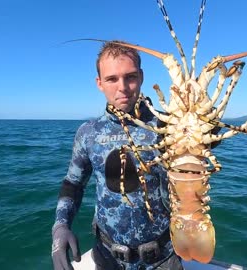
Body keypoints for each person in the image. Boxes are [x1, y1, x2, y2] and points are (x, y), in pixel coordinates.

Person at [51, 40, 185, 270]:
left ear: (141, 77)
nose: (122, 86)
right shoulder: (88, 133)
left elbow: (201, 147)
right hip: (108, 256)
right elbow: (73, 184)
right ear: (99, 83)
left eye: (130, 76)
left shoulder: (170, 125)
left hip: (163, 257)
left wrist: (206, 125)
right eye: (112, 79)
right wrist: (60, 227)